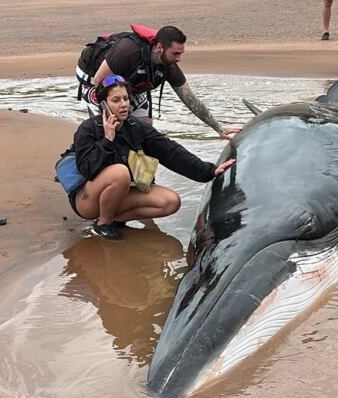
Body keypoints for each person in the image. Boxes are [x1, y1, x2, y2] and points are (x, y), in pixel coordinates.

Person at [63, 75, 235, 240]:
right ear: (103, 104)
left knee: (171, 202)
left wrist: (209, 170)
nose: (123, 105)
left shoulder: (135, 127)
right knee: (120, 173)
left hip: (122, 193)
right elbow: (88, 169)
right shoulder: (88, 129)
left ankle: (115, 219)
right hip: (86, 200)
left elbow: (170, 151)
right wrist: (108, 139)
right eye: (116, 100)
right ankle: (103, 224)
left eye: (126, 98)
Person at [80, 25, 241, 140]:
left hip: (128, 85)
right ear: (159, 47)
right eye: (175, 53)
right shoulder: (128, 51)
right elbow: (99, 81)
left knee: (144, 126)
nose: (178, 58)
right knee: (111, 126)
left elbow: (190, 100)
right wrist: (115, 113)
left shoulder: (169, 66)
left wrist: (219, 128)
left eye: (181, 53)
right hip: (93, 76)